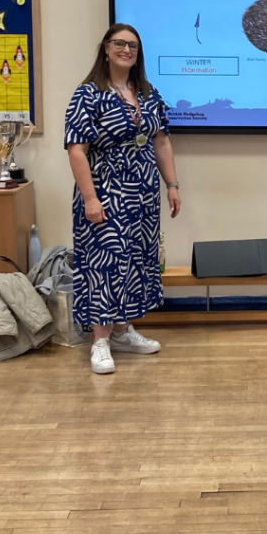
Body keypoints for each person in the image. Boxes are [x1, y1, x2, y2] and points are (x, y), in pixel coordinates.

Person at [65, 23, 181, 375]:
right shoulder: (87, 94)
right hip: (105, 193)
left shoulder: (147, 92)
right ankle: (99, 341)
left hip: (142, 195)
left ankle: (121, 332)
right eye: (119, 43)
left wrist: (172, 184)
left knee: (134, 261)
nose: (126, 49)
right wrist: (90, 198)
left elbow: (161, 142)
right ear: (105, 48)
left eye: (132, 45)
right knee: (104, 262)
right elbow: (76, 150)